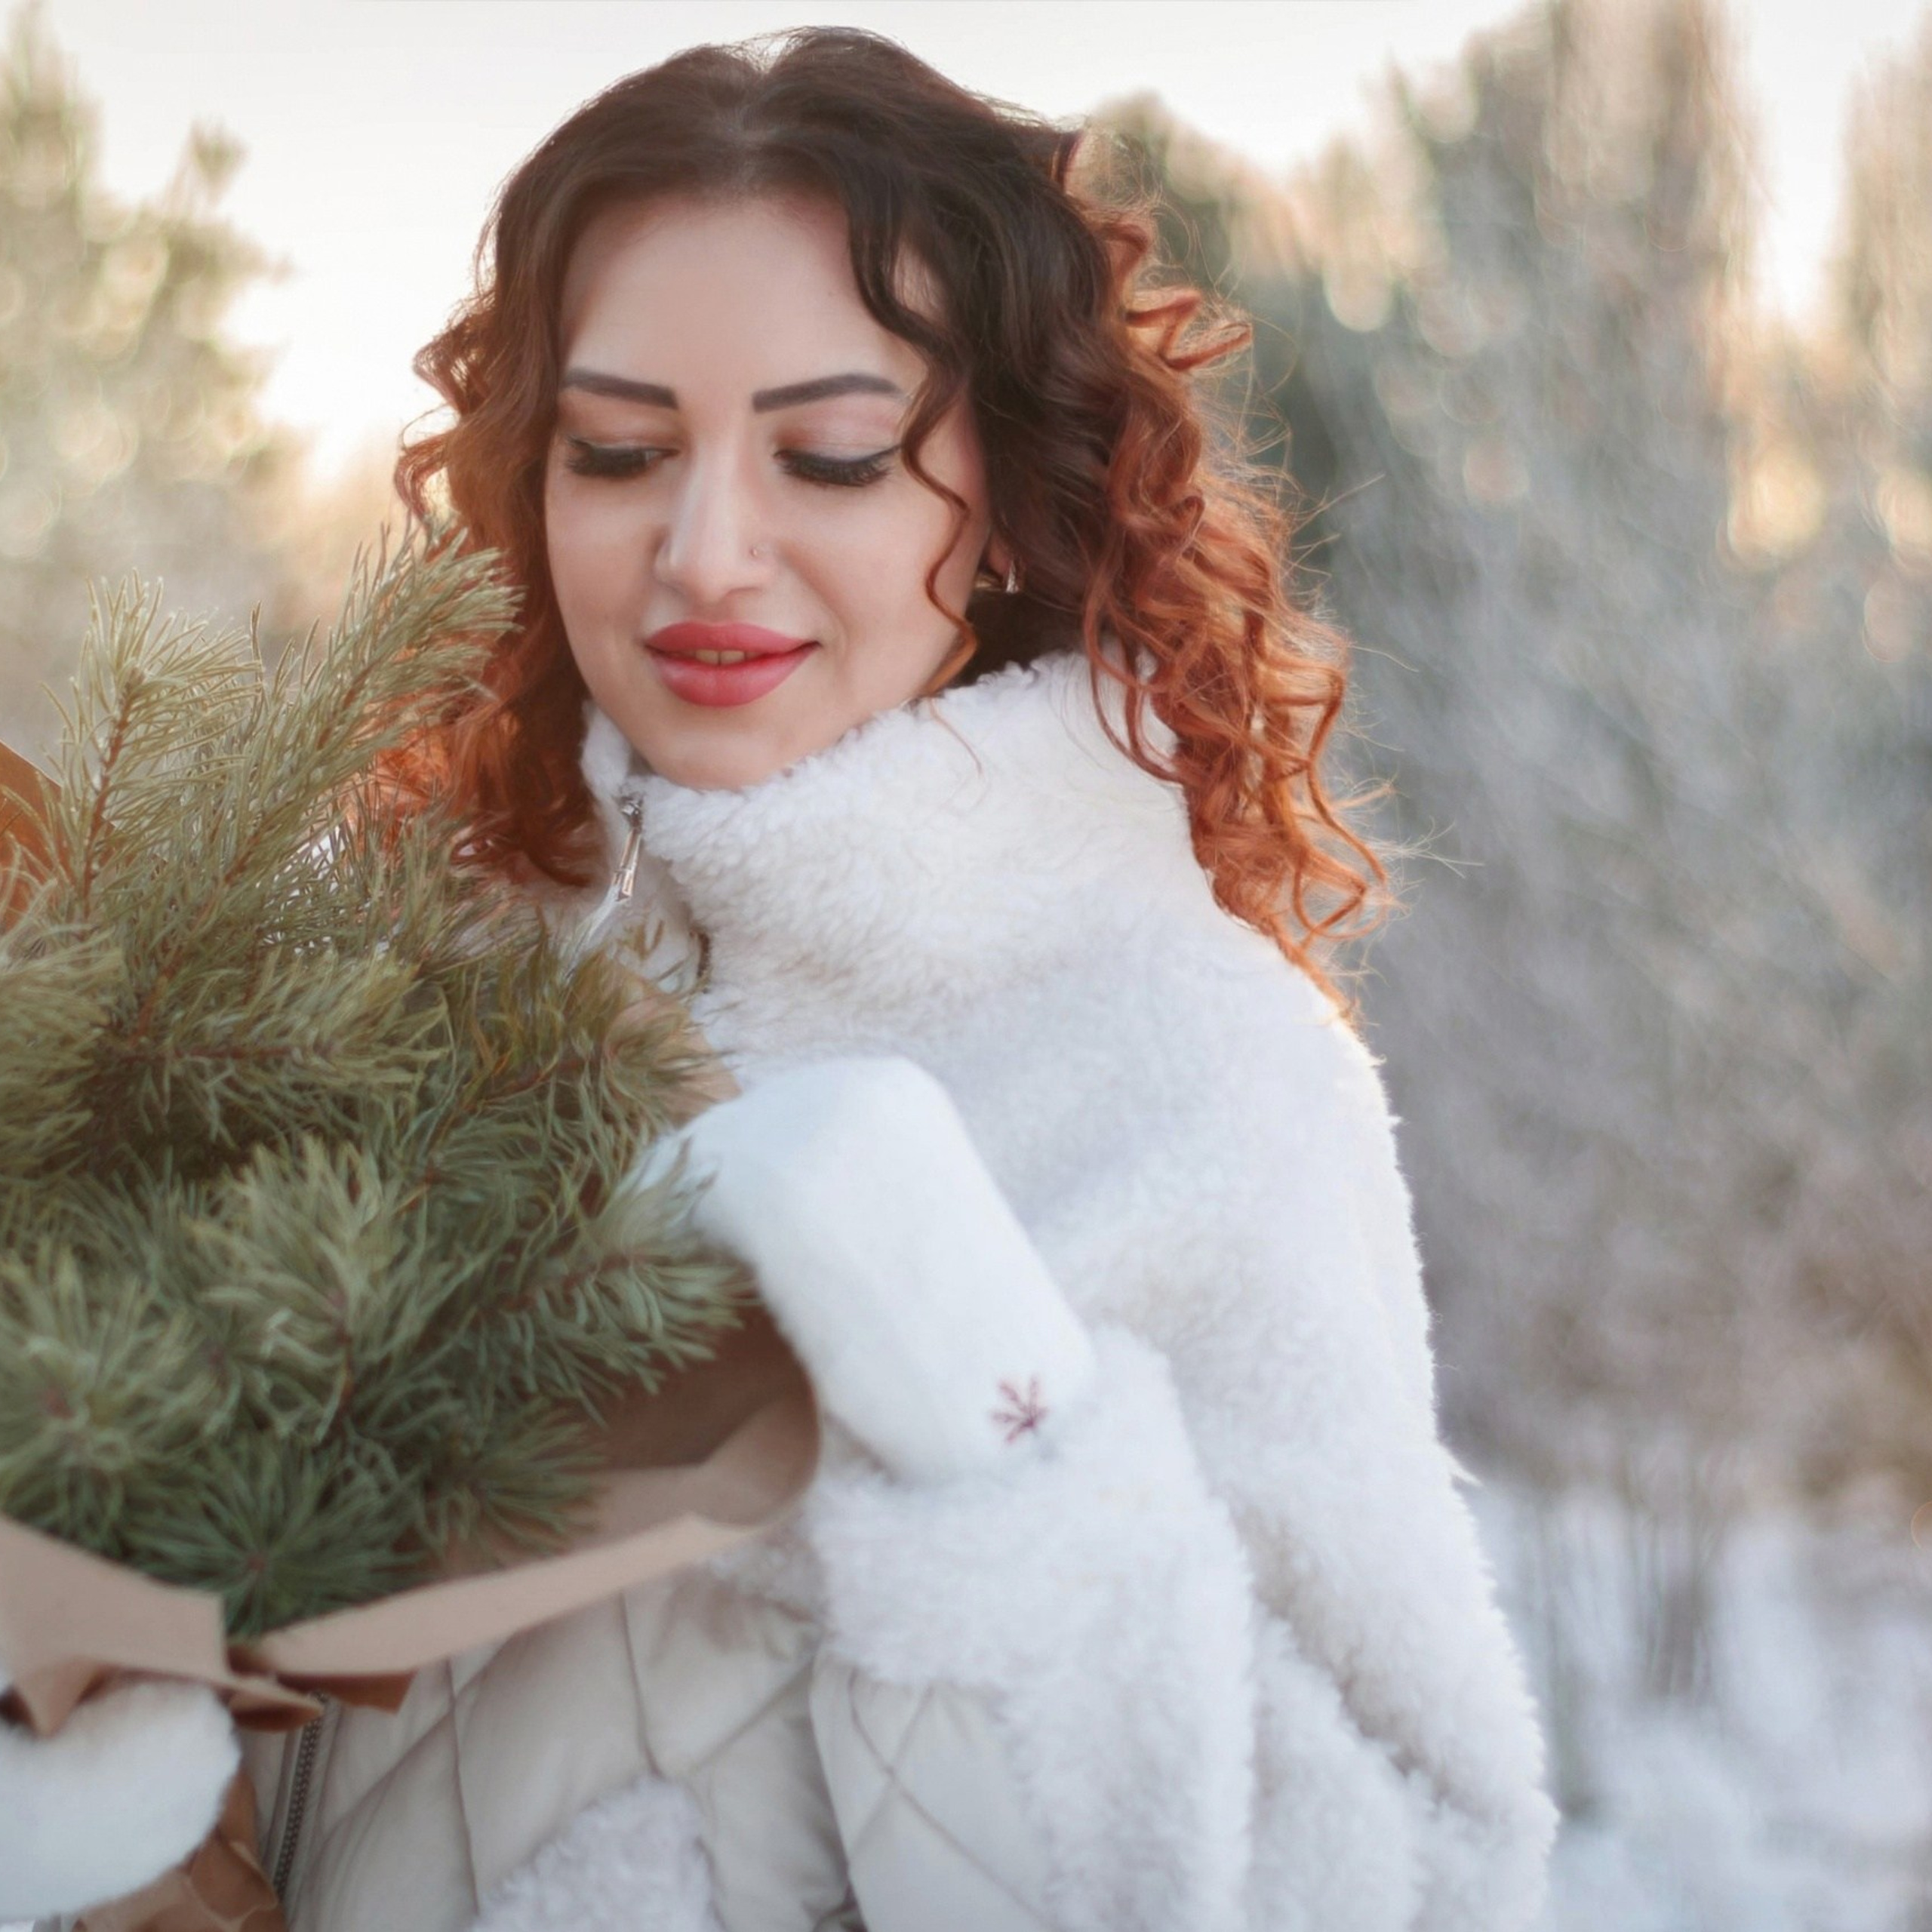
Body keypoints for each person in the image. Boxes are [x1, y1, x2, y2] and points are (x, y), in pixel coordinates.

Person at [5, 28, 1558, 1932]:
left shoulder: (1196, 1072)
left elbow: (1417, 1883)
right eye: (620, 450)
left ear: (997, 501)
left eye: (829, 453)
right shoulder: (358, 994)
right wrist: (112, 1836)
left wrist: (978, 1400)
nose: (704, 551)